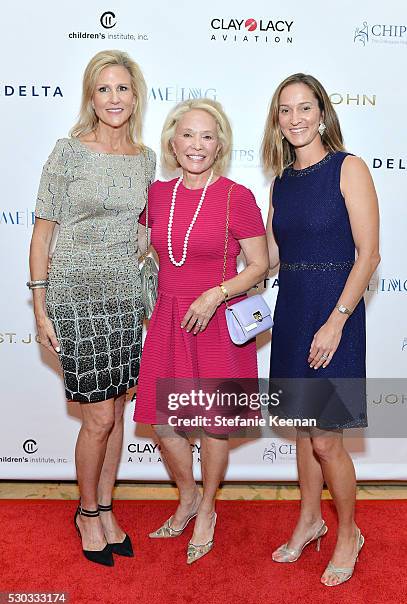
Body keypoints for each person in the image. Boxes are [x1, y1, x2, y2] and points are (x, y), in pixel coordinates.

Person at [29, 50, 156, 566]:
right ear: (90, 96)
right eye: (103, 89)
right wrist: (39, 308)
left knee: (118, 408)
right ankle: (84, 512)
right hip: (76, 296)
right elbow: (41, 236)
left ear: (135, 94)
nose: (113, 99)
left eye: (122, 88)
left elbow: (141, 227)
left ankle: (105, 506)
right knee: (98, 417)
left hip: (126, 295)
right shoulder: (68, 153)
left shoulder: (146, 158)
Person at [133, 98, 269, 564]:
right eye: (188, 135)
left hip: (216, 322)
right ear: (172, 141)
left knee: (214, 425)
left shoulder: (237, 196)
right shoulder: (154, 195)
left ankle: (208, 507)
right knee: (163, 419)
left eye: (207, 136)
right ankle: (188, 495)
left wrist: (216, 293)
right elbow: (132, 243)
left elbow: (260, 264)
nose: (196, 145)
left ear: (220, 145)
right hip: (169, 319)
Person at [262, 73, 380, 586]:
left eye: (304, 108)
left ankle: (347, 532)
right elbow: (267, 257)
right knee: (303, 432)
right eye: (285, 110)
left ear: (323, 113)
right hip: (291, 310)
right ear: (277, 119)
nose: (295, 118)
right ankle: (309, 520)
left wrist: (336, 320)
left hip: (334, 312)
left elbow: (368, 255)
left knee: (327, 438)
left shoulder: (347, 168)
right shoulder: (281, 183)